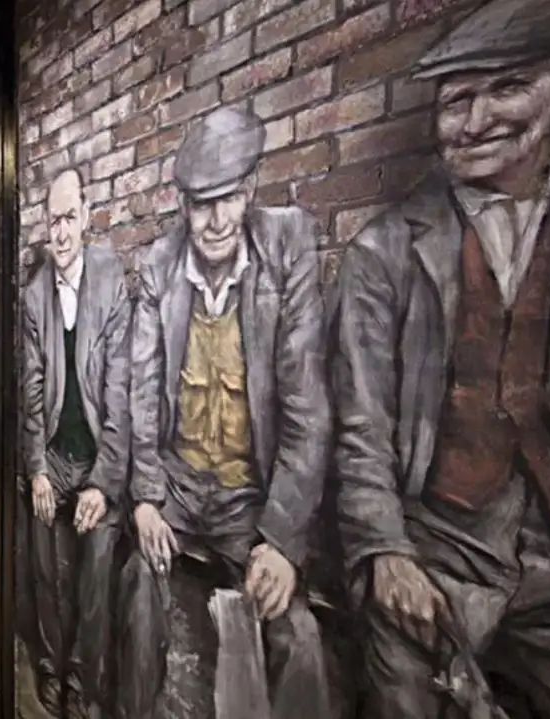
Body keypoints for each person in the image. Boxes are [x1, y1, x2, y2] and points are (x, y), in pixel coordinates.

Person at [333, 0, 550, 715]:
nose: (476, 122)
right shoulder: (382, 251)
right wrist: (385, 550)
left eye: (508, 87)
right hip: (438, 555)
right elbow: (360, 428)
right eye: (456, 101)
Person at [120, 106, 332, 719]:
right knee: (136, 588)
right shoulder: (159, 267)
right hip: (179, 490)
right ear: (183, 206)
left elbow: (307, 407)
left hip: (247, 501)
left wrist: (282, 539)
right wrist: (146, 498)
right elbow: (141, 392)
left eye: (229, 199)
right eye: (201, 205)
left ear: (250, 190)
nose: (215, 222)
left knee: (299, 635)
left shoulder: (288, 246)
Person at [21, 167, 130, 718]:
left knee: (98, 565)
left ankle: (84, 681)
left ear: (86, 216)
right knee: (41, 555)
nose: (61, 232)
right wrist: (37, 469)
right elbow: (30, 388)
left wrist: (104, 484)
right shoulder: (33, 294)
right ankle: (49, 667)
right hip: (56, 457)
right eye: (53, 220)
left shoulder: (111, 281)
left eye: (70, 217)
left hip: (97, 458)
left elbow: (121, 396)